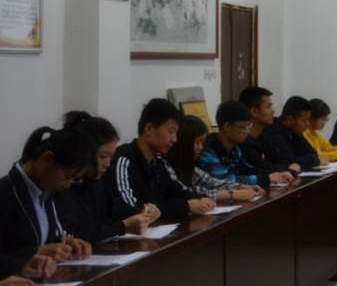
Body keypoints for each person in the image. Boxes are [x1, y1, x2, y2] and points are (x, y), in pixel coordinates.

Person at [0, 127, 94, 279]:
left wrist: (65, 243)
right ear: (47, 159)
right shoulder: (5, 194)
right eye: (67, 176)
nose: (68, 185)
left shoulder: (46, 191)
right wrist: (34, 253)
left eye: (74, 179)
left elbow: (41, 238)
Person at [55, 112, 159, 243]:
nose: (108, 164)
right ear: (85, 153)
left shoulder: (97, 182)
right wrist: (123, 227)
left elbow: (115, 209)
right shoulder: (64, 186)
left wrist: (142, 211)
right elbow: (73, 233)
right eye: (103, 156)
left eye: (111, 156)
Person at [106, 98, 216, 220]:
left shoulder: (157, 162)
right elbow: (133, 210)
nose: (175, 139)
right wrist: (186, 206)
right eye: (171, 131)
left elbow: (179, 191)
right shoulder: (123, 161)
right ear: (149, 129)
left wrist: (199, 200)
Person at [166, 116, 263, 203]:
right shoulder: (167, 166)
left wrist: (240, 186)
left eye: (202, 143)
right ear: (183, 143)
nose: (201, 148)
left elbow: (212, 182)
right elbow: (189, 192)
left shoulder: (189, 166)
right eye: (198, 142)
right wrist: (231, 194)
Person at [199, 101, 292, 191]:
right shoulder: (208, 150)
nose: (247, 131)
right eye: (244, 127)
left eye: (249, 126)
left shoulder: (235, 148)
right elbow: (225, 180)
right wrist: (265, 178)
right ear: (227, 126)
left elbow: (249, 169)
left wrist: (278, 174)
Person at [239, 87, 302, 176]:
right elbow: (263, 170)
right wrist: (290, 170)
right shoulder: (243, 143)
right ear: (254, 112)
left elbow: (280, 161)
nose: (273, 111)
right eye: (268, 107)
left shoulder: (266, 136)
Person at [260, 96, 324, 170]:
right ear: (290, 120)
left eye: (308, 120)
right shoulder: (273, 131)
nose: (307, 124)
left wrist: (308, 159)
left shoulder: (295, 131)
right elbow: (288, 161)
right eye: (304, 121)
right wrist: (316, 161)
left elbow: (313, 153)